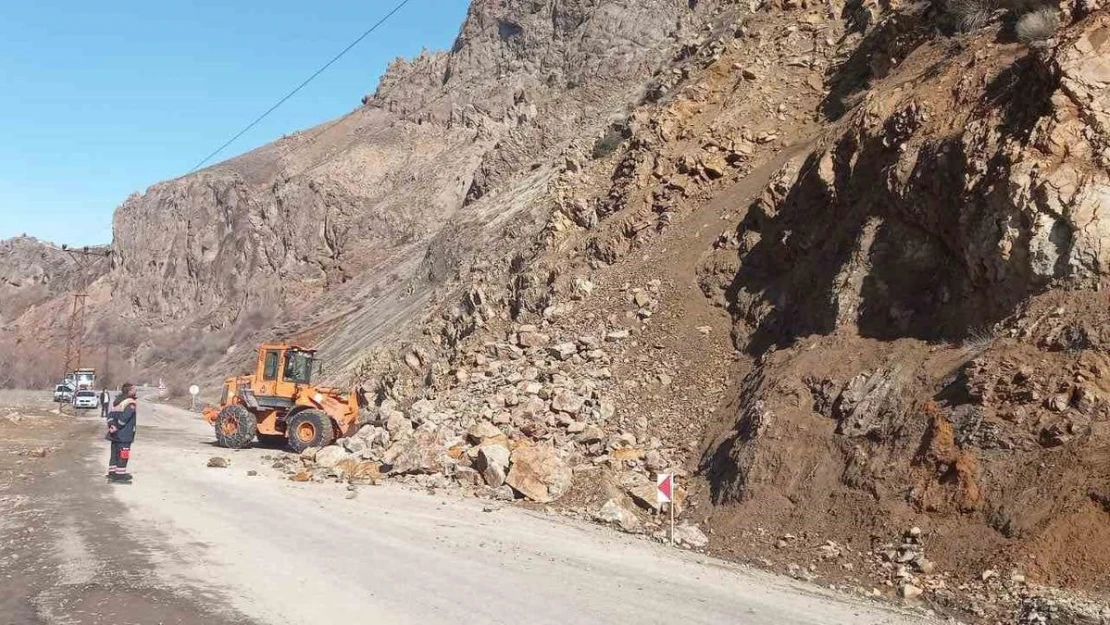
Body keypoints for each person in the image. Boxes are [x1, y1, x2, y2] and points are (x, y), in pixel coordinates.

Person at [106, 383, 138, 484]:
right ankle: (120, 476)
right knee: (123, 455)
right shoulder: (130, 403)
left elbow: (110, 415)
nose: (136, 391)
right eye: (134, 389)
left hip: (114, 434)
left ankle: (112, 473)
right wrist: (117, 427)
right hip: (124, 434)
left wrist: (111, 425)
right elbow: (125, 417)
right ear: (129, 391)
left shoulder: (117, 401)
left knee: (114, 454)